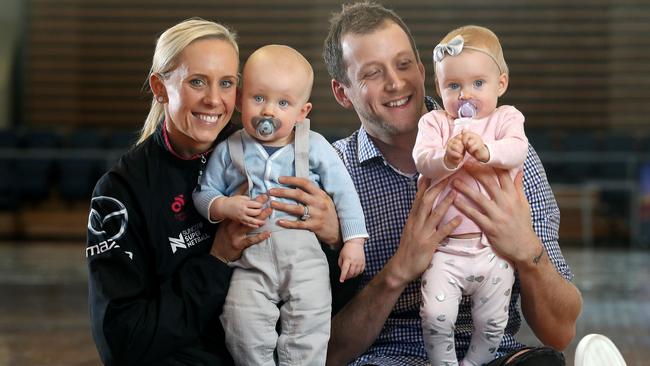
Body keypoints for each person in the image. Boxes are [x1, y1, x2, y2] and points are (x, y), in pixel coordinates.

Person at [320, 2, 582, 365]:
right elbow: (322, 352)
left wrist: (527, 251)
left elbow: (560, 332)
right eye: (372, 74)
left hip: (494, 355)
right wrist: (398, 270)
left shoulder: (505, 151)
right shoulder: (331, 173)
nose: (396, 83)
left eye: (403, 64)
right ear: (342, 92)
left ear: (422, 69)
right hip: (387, 357)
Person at [86, 19, 279, 366]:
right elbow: (123, 341)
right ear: (160, 88)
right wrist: (216, 260)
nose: (213, 100)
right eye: (197, 82)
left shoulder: (266, 156)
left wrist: (330, 235)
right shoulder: (121, 190)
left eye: (226, 83)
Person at [192, 44, 368, 365]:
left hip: (305, 261)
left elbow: (344, 192)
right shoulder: (230, 149)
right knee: (239, 321)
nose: (269, 111)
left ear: (302, 112)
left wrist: (354, 241)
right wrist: (225, 207)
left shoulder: (312, 145)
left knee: (310, 323)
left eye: (283, 103)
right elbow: (204, 194)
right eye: (258, 98)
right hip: (250, 262)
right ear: (241, 99)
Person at [413, 25, 528, 366]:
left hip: (494, 249)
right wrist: (445, 158)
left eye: (478, 83)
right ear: (438, 88)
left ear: (501, 84)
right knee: (435, 317)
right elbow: (421, 158)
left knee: (493, 323)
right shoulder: (435, 123)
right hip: (445, 249)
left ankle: (475, 363)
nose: (465, 95)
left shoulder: (506, 118)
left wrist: (487, 150)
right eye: (453, 86)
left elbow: (517, 150)